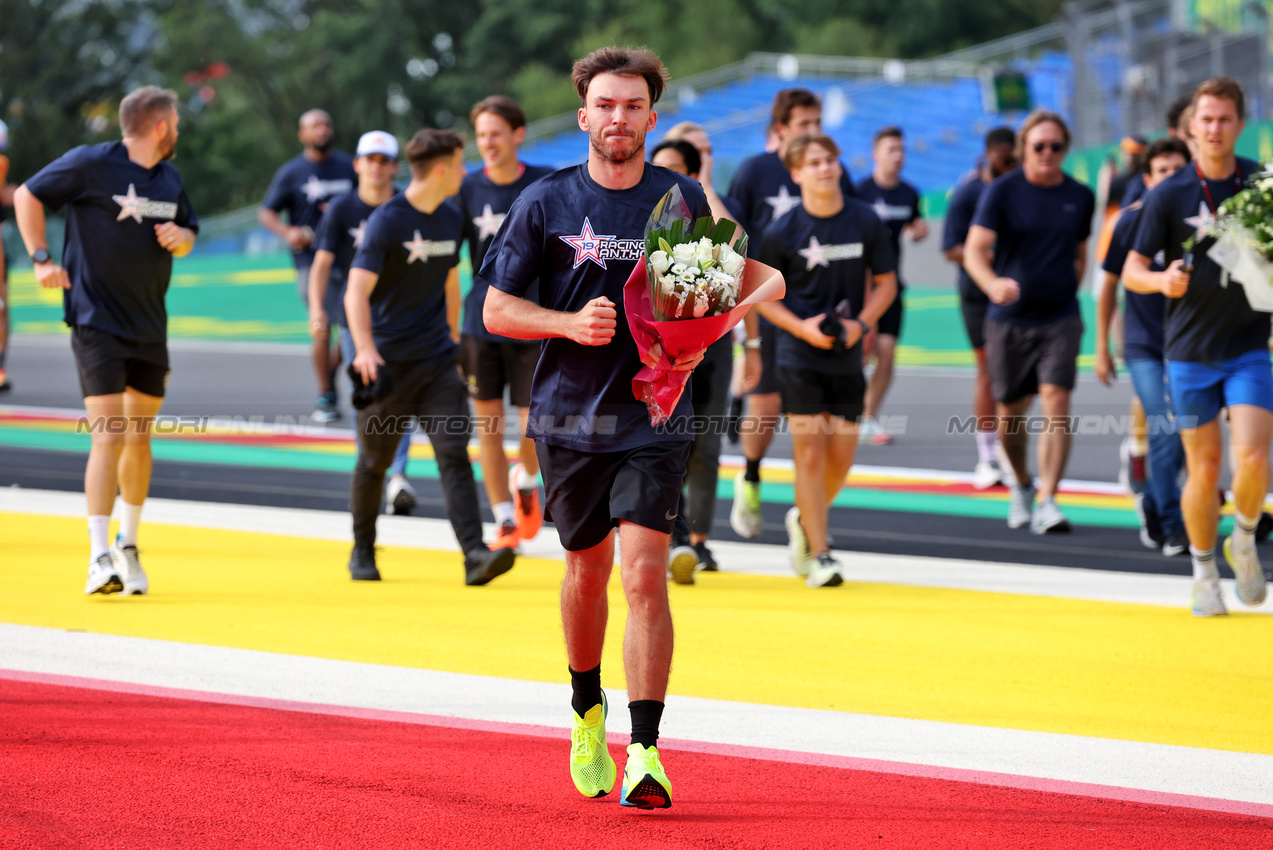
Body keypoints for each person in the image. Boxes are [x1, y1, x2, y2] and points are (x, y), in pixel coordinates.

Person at [482, 47, 716, 810]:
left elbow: (706, 310)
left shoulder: (683, 200)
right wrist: (567, 323)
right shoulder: (544, 202)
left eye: (633, 105)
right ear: (584, 115)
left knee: (644, 570)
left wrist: (701, 328)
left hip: (655, 416)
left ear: (651, 116)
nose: (619, 118)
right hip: (568, 419)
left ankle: (645, 750)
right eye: (606, 105)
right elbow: (495, 310)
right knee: (585, 570)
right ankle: (587, 710)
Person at [13, 86, 197, 595]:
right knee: (108, 434)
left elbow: (188, 232)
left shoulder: (170, 177)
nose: (178, 131)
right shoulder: (91, 163)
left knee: (139, 438)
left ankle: (129, 548)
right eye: (176, 122)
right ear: (161, 126)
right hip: (96, 323)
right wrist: (42, 258)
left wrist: (181, 239)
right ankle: (98, 557)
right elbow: (27, 194)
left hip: (149, 327)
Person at [343, 128, 515, 587]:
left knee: (454, 457)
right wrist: (363, 349)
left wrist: (455, 339)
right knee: (374, 462)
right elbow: (355, 290)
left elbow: (448, 279)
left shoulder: (450, 215)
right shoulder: (388, 221)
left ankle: (474, 555)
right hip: (387, 365)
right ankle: (362, 548)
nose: (464, 172)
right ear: (441, 169)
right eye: (460, 164)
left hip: (438, 360)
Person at [1123, 77, 1269, 617]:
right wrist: (1160, 282)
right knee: (1204, 468)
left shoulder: (1262, 184)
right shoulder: (1168, 194)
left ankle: (1246, 538)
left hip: (1250, 343)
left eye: (1224, 119)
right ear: (1191, 127)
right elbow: (1132, 269)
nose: (1214, 128)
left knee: (1253, 456)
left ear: (1239, 123)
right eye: (1205, 120)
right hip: (1187, 351)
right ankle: (1204, 571)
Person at [757, 133, 896, 588]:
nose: (824, 168)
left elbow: (887, 283)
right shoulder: (781, 231)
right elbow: (761, 297)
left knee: (841, 460)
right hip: (798, 355)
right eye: (814, 162)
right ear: (796, 174)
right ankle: (821, 553)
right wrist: (801, 328)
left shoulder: (865, 221)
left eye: (830, 160)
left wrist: (862, 324)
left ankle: (804, 516)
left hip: (847, 356)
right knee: (811, 454)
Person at [726, 88, 855, 539]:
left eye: (817, 123)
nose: (813, 133)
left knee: (824, 429)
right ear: (781, 130)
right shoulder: (753, 173)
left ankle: (808, 520)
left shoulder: (833, 170)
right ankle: (752, 474)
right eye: (804, 125)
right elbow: (733, 235)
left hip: (821, 307)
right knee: (765, 403)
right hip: (770, 303)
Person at [963, 110, 1095, 534]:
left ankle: (1049, 499)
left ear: (1065, 149)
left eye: (1056, 146)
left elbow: (1080, 255)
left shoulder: (1080, 195)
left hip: (1060, 317)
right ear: (1024, 148)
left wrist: (1066, 290)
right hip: (1009, 319)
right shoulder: (1001, 192)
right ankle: (1021, 483)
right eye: (1039, 146)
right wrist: (992, 284)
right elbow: (974, 250)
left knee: (1057, 402)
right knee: (1010, 414)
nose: (1047, 154)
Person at [650, 135, 755, 582]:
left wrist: (704, 191)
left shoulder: (717, 204)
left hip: (714, 344)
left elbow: (739, 253)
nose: (662, 179)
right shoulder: (643, 213)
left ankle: (698, 541)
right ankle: (666, 536)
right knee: (665, 442)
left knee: (707, 444)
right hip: (661, 347)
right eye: (658, 169)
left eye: (674, 170)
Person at [456, 96, 554, 551]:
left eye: (495, 133)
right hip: (479, 326)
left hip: (528, 320)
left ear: (518, 134)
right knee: (488, 428)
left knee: (532, 425)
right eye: (481, 135)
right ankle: (502, 520)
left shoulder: (542, 185)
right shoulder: (466, 189)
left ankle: (527, 480)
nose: (487, 143)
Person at [310, 130, 418, 515]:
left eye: (383, 160)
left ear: (393, 166)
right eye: (369, 159)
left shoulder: (407, 204)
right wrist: (317, 311)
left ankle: (398, 478)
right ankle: (371, 471)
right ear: (357, 165)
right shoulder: (341, 209)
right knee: (370, 400)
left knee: (401, 397)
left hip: (401, 318)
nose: (376, 167)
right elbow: (321, 263)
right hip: (356, 321)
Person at [1095, 137, 1191, 557]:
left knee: (1185, 430)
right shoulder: (1129, 222)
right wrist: (1101, 344)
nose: (1170, 179)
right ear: (1147, 179)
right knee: (1165, 424)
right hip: (1143, 344)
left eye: (1178, 170)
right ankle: (1172, 523)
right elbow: (1108, 287)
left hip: (1190, 344)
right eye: (1162, 171)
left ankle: (1153, 499)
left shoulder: (1202, 222)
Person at [260, 109, 356, 423]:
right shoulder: (292, 172)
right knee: (322, 325)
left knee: (352, 326)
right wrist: (288, 232)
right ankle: (326, 394)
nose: (322, 129)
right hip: (310, 260)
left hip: (351, 258)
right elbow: (267, 212)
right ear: (302, 134)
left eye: (326, 123)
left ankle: (330, 372)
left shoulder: (348, 166)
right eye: (314, 125)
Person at [942, 126, 1017, 488]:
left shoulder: (1024, 188)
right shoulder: (969, 193)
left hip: (1018, 291)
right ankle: (987, 455)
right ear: (988, 154)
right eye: (1003, 157)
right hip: (977, 292)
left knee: (1018, 375)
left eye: (1013, 157)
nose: (1009, 164)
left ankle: (1010, 446)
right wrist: (983, 254)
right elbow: (951, 247)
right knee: (988, 369)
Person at [854, 126, 928, 445]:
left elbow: (914, 224)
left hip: (892, 285)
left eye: (901, 150)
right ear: (875, 154)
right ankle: (842, 414)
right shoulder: (860, 192)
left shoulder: (909, 193)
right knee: (859, 353)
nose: (898, 156)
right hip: (859, 285)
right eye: (891, 150)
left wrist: (917, 231)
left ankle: (867, 417)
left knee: (887, 352)